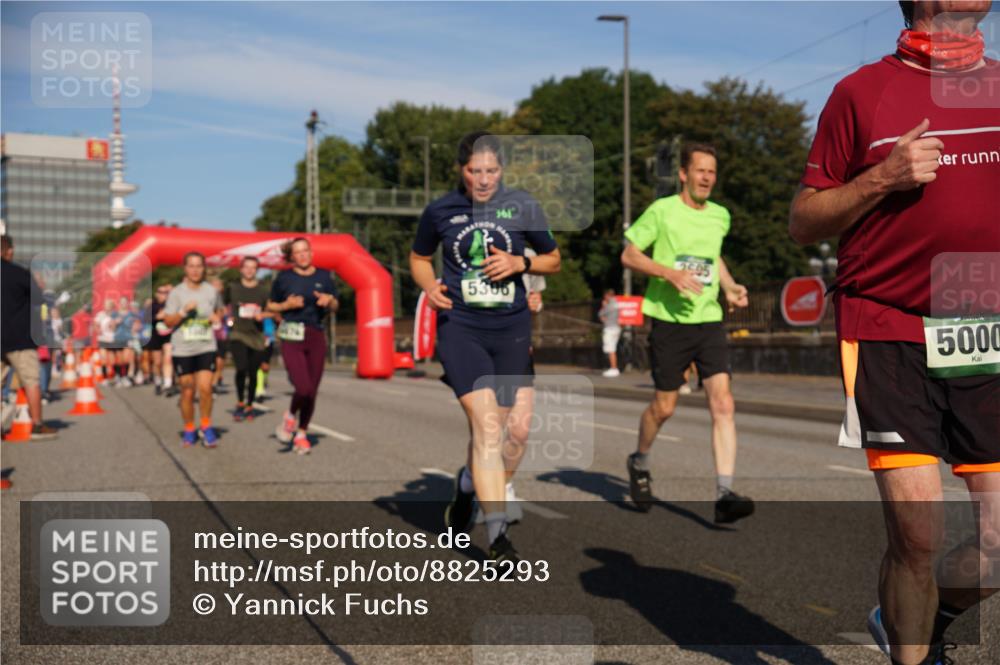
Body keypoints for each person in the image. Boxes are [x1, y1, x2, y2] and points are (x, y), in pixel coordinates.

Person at [789, 2, 998, 664]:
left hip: (985, 327)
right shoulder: (861, 93)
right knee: (918, 531)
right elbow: (804, 219)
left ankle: (920, 619)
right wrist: (883, 177)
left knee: (997, 543)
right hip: (887, 325)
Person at [410, 131, 561, 562]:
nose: (483, 179)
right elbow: (419, 257)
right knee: (488, 427)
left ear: (502, 170)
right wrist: (429, 287)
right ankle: (497, 538)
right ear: (462, 170)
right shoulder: (441, 210)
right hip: (462, 327)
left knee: (517, 430)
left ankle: (468, 484)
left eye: (491, 171)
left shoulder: (523, 206)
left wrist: (521, 262)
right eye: (475, 171)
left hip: (511, 328)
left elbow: (554, 257)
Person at [620, 142, 753, 522]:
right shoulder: (662, 211)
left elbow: (713, 256)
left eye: (712, 171)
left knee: (723, 402)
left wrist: (727, 286)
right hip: (669, 321)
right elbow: (629, 254)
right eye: (700, 170)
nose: (707, 177)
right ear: (683, 174)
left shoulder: (720, 216)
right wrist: (670, 273)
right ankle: (640, 462)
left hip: (708, 319)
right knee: (664, 407)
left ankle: (725, 493)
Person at [267, 238, 338, 455]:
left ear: (311, 252)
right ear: (292, 257)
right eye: (297, 252)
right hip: (291, 334)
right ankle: (290, 416)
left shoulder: (324, 276)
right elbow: (270, 305)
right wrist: (286, 305)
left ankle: (301, 433)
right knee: (303, 387)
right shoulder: (285, 278)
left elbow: (336, 304)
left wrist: (329, 301)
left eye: (305, 250)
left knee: (312, 391)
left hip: (315, 334)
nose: (303, 255)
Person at [162, 252, 225, 448]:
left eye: (199, 266)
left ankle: (206, 426)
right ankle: (189, 428)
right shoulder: (177, 293)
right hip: (183, 348)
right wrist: (183, 311)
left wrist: (217, 318)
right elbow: (168, 320)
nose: (195, 270)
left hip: (206, 346)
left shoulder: (211, 291)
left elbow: (220, 311)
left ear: (204, 268)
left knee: (205, 389)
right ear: (185, 269)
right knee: (188, 391)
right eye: (191, 266)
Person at [0, 235, 57, 439]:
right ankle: (37, 425)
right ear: (9, 251)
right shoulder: (19, 273)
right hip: (19, 337)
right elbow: (39, 300)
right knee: (31, 381)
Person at [225, 257, 273, 422]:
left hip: (256, 337)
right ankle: (240, 402)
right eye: (247, 267)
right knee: (241, 368)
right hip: (238, 333)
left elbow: (274, 310)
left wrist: (263, 315)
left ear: (257, 270)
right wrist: (223, 317)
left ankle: (250, 404)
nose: (250, 270)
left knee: (253, 372)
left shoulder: (264, 290)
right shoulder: (232, 288)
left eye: (253, 268)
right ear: (241, 269)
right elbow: (220, 305)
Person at [147, 284, 173, 395]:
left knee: (168, 359)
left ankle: (168, 383)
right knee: (157, 362)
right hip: (155, 335)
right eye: (161, 292)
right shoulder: (152, 306)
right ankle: (158, 381)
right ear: (157, 294)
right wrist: (157, 317)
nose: (164, 295)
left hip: (169, 335)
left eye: (166, 292)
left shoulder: (172, 305)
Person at [599, 289, 621, 378]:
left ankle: (613, 368)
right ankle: (613, 368)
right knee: (612, 349)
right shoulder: (616, 304)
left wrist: (603, 306)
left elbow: (600, 313)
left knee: (610, 349)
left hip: (610, 328)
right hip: (616, 328)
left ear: (608, 295)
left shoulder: (609, 305)